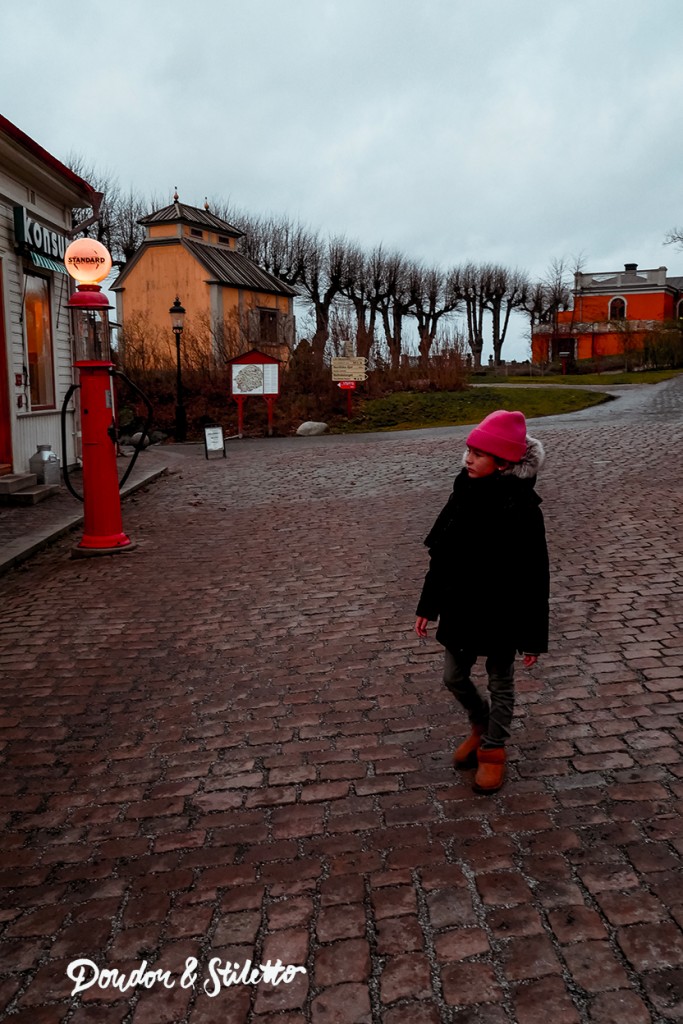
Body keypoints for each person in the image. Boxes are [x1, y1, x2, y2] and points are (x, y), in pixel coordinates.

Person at [415, 409, 550, 794]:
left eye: (478, 453)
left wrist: (533, 637)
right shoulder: (461, 494)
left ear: (504, 462)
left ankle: (493, 750)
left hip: (503, 614)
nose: (468, 459)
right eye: (468, 451)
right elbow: (440, 555)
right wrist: (428, 605)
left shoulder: (523, 510)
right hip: (461, 607)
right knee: (453, 677)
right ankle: (481, 723)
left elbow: (535, 576)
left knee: (500, 681)